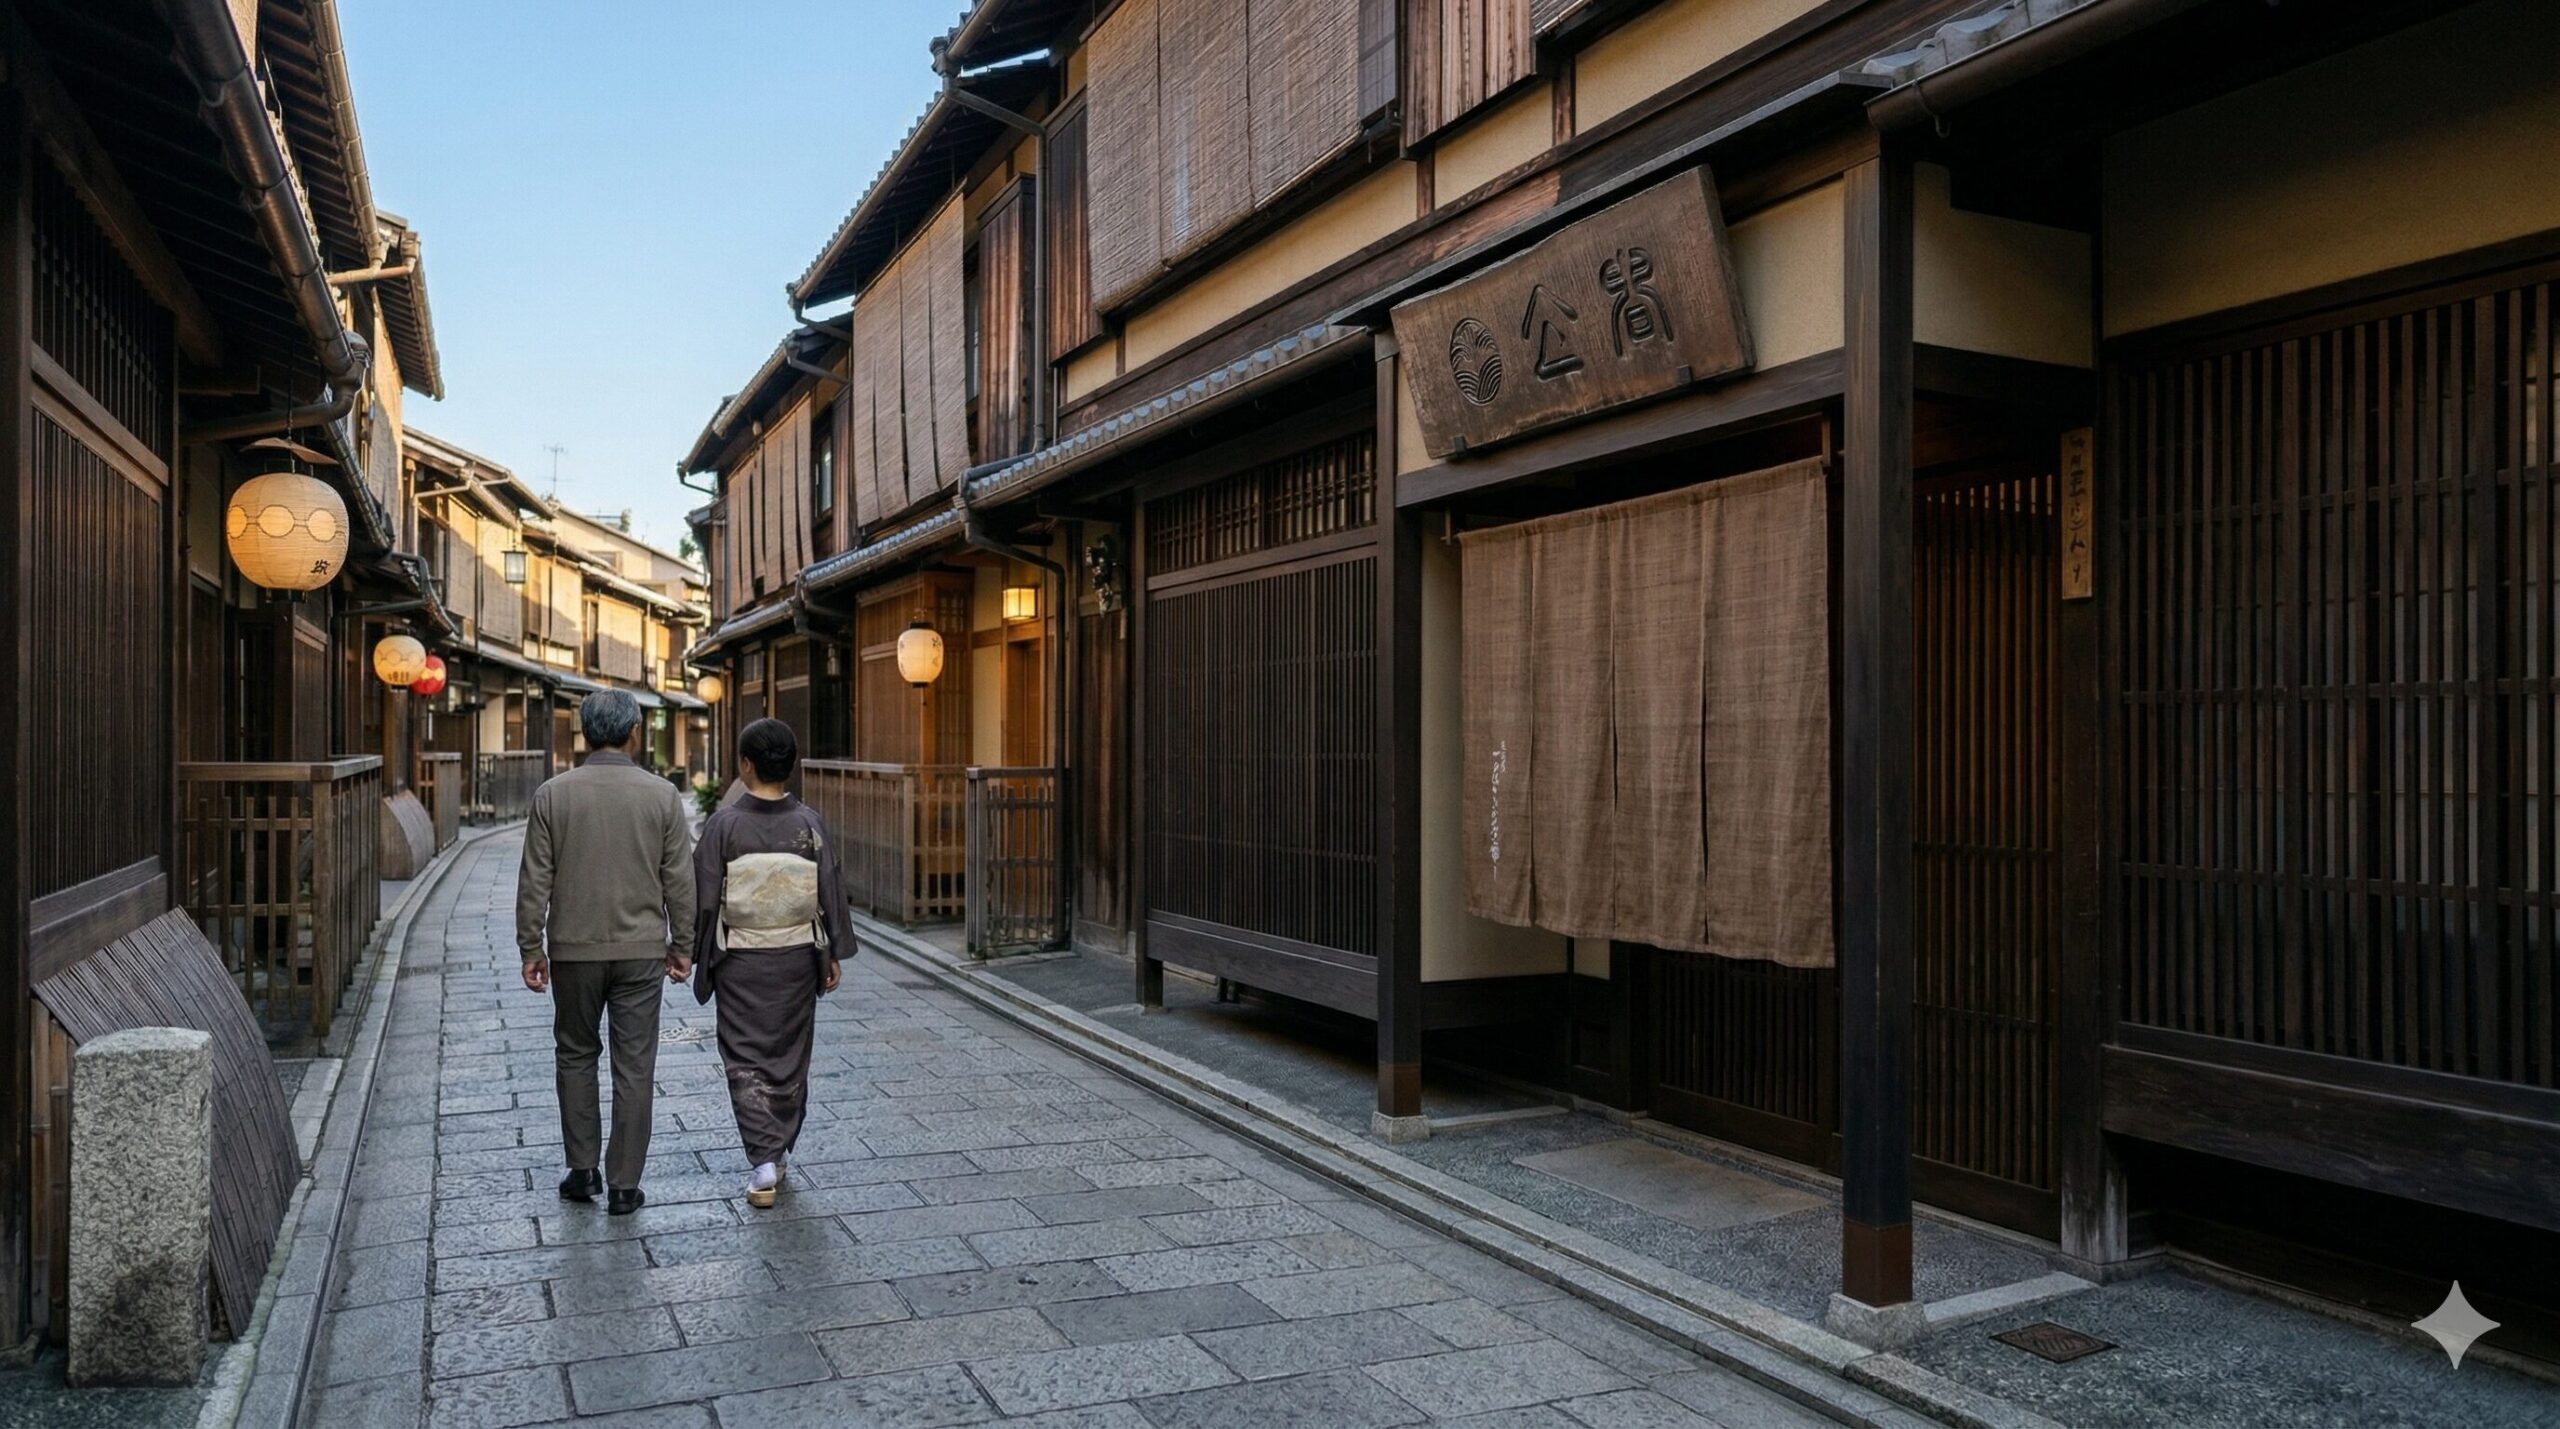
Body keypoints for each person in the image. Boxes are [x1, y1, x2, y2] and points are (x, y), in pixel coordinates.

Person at [515, 690, 695, 1215]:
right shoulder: (662, 796)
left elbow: (534, 881)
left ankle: (582, 1169)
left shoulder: (553, 795)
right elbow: (679, 881)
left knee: (575, 1052)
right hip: (641, 951)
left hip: (573, 949)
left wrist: (532, 945)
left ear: (584, 733)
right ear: (634, 731)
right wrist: (681, 944)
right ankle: (623, 1184)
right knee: (635, 1064)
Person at [690, 718, 851, 1208]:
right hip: (797, 958)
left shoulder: (725, 825)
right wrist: (831, 953)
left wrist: (695, 953)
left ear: (745, 765)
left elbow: (704, 899)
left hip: (741, 958)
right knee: (789, 1055)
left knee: (744, 1057)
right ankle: (775, 1150)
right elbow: (829, 891)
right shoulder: (809, 824)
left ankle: (763, 1160)